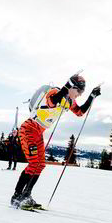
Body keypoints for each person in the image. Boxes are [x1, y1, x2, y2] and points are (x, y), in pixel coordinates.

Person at [11, 74, 101, 209]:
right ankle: (17, 197)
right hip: (28, 129)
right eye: (79, 91)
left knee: (40, 165)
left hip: (38, 132)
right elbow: (52, 101)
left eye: (82, 92)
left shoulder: (69, 101)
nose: (80, 94)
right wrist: (66, 87)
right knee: (34, 163)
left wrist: (92, 96)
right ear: (71, 87)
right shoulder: (55, 93)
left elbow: (80, 112)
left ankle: (26, 195)